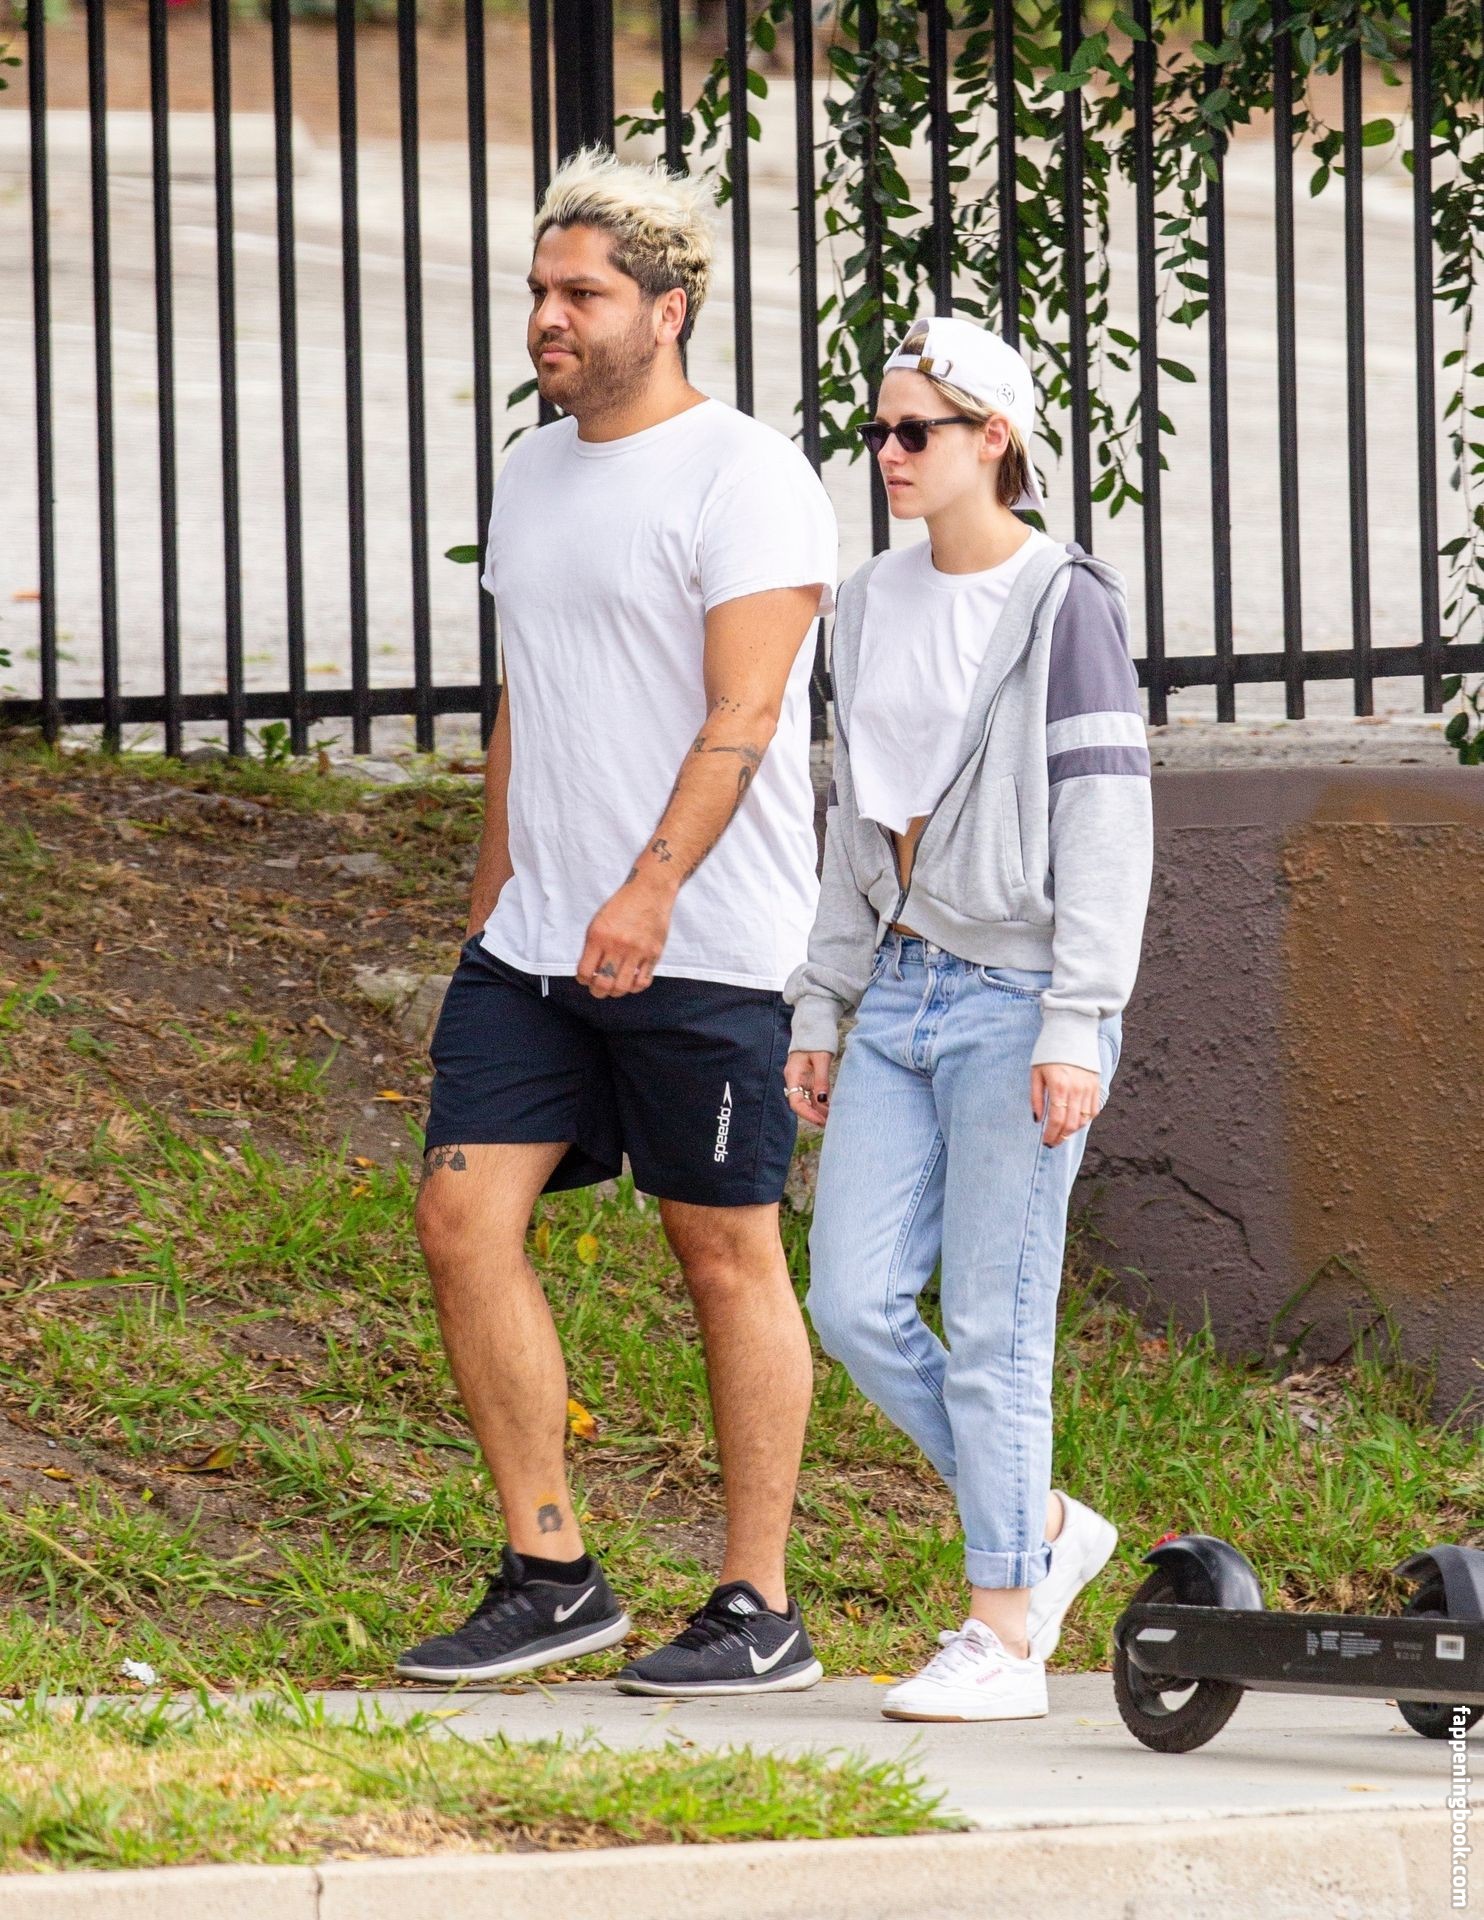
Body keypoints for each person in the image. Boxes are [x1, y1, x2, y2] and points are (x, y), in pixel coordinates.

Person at [397, 148, 837, 1697]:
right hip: (533, 948)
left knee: (722, 1251)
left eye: (580, 293)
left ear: (669, 307)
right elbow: (531, 698)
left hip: (706, 945)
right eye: (538, 290)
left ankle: (757, 1604)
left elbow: (746, 711)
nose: (548, 318)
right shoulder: (532, 473)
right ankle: (551, 1574)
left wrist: (650, 889)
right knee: (462, 1221)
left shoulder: (748, 477)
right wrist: (493, 895)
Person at [782, 314, 1152, 1722]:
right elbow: (852, 819)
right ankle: (1042, 1524)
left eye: (915, 430)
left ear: (993, 439)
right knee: (852, 1301)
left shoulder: (1063, 602)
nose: (887, 452)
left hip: (1021, 1000)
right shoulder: (865, 601)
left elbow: (1106, 819)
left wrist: (1078, 1018)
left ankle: (1005, 1630)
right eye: (876, 430)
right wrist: (822, 1000)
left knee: (997, 1324)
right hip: (899, 983)